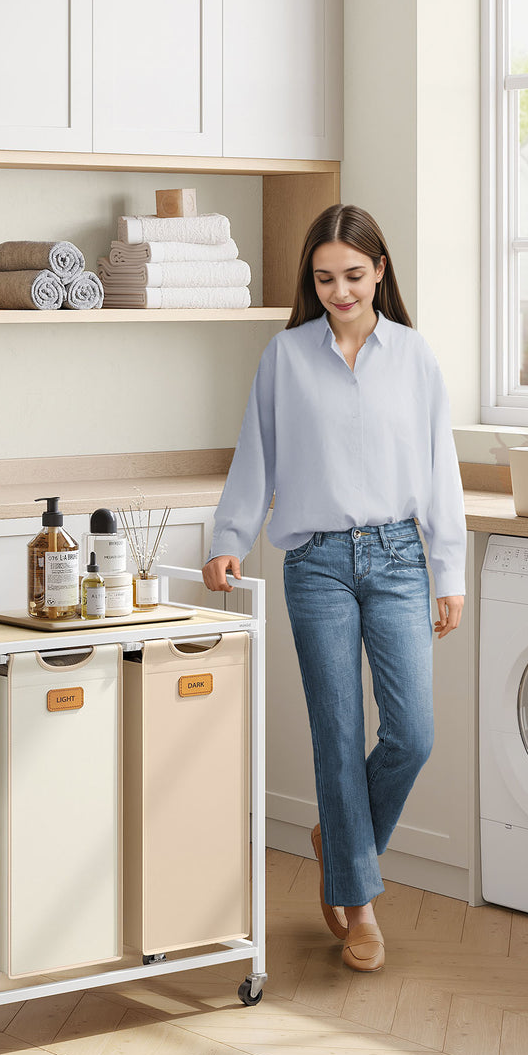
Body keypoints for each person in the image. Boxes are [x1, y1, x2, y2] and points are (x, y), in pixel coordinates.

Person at [202, 203, 466, 973]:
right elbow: (256, 455)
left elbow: (440, 469)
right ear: (310, 281)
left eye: (353, 275)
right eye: (324, 279)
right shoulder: (285, 357)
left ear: (380, 270)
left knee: (413, 734)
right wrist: (228, 539)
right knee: (339, 735)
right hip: (314, 563)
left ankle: (338, 844)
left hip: (398, 558)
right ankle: (358, 907)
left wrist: (448, 571)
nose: (340, 291)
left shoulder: (414, 356)